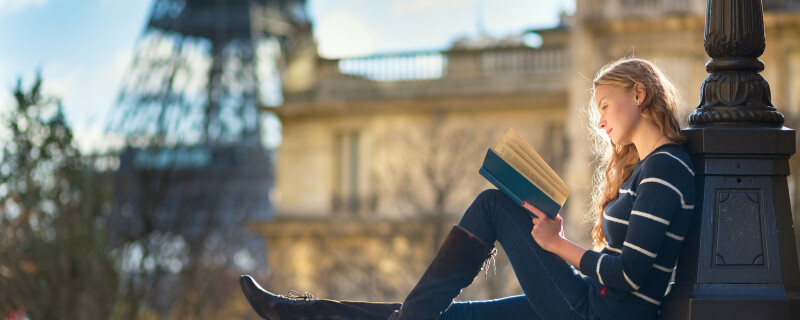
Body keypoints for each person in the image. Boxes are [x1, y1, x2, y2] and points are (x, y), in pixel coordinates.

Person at [239, 57, 695, 320]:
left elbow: (631, 276)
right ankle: (304, 313)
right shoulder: (650, 169)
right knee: (451, 316)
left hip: (601, 313)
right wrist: (555, 240)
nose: (599, 120)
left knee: (495, 205)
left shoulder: (665, 169)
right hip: (593, 304)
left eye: (604, 105)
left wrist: (558, 245)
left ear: (639, 94)